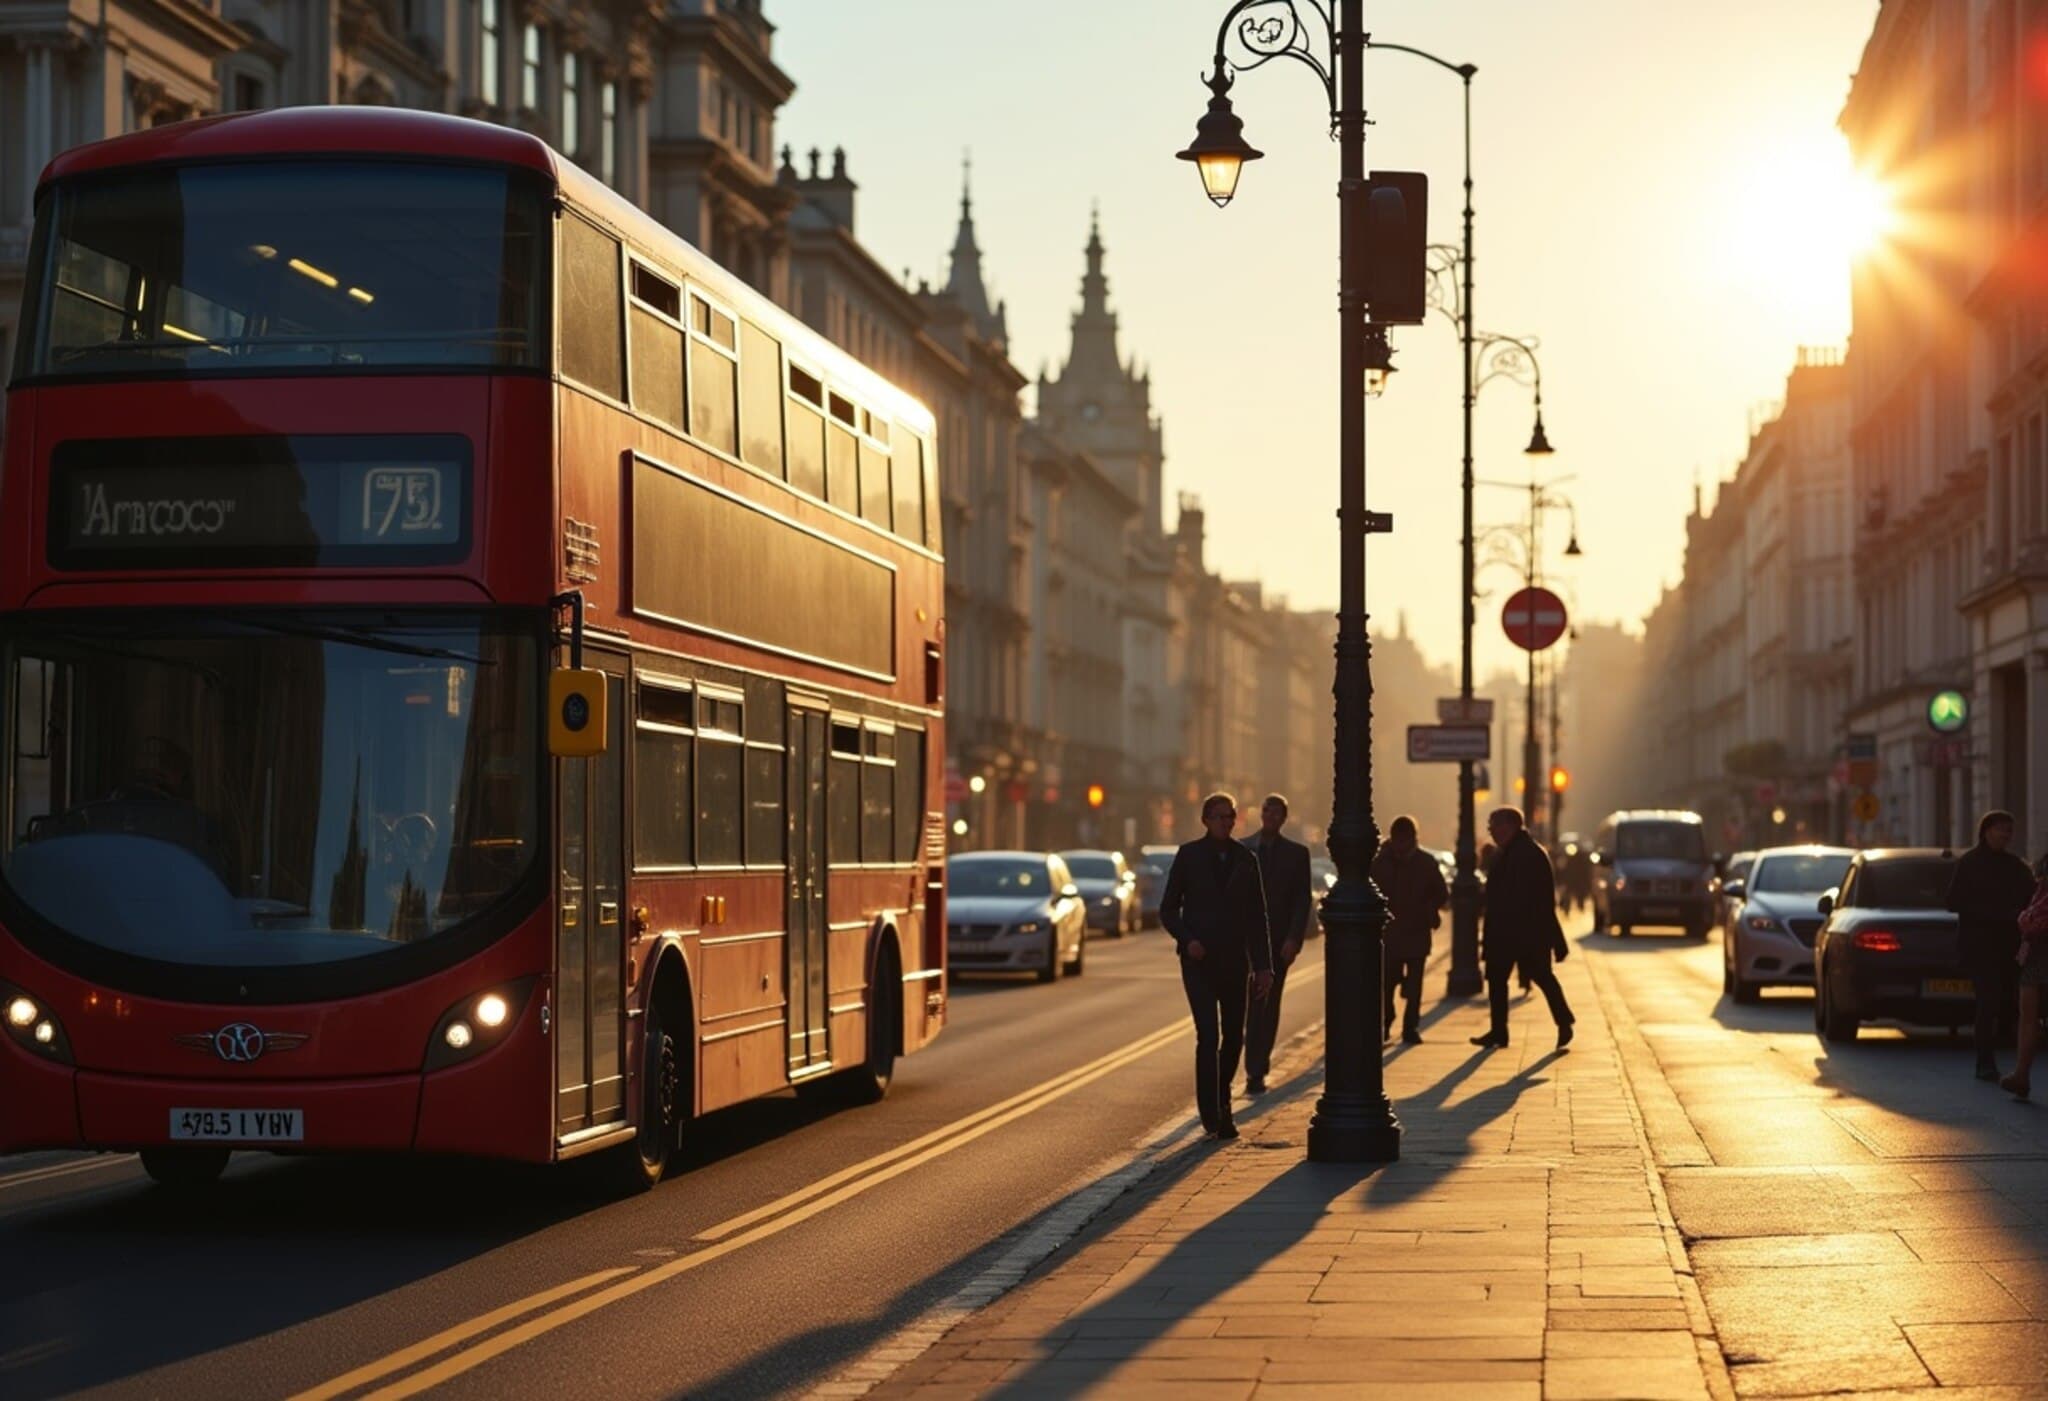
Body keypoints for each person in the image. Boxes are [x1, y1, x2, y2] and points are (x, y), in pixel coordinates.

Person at [1158, 792, 1275, 1138]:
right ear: (1206, 820)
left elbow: (1258, 916)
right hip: (1199, 961)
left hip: (1234, 960)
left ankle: (1222, 1095)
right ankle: (1214, 1111)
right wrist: (1187, 939)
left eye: (1231, 816)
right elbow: (1168, 909)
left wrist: (1264, 965)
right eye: (1219, 816)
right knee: (1207, 1033)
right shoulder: (1189, 856)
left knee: (1233, 1036)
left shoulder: (1245, 859)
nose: (1226, 822)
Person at [1473, 806, 1575, 1050]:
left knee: (1540, 976)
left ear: (1509, 826)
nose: (1490, 831)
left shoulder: (1529, 854)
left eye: (1493, 825)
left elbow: (1542, 900)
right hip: (1505, 931)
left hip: (1526, 932)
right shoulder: (1504, 853)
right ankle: (1499, 1031)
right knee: (1498, 980)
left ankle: (1564, 1021)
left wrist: (1552, 937)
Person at [1946, 810, 2035, 1082]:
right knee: (1988, 1002)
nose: (2005, 835)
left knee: (2010, 1003)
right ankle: (1985, 1062)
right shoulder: (1970, 863)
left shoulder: (2016, 867)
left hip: (2010, 947)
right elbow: (1953, 901)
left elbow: (2032, 900)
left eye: (2009, 831)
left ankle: (2014, 1060)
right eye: (2000, 830)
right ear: (1986, 831)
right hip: (1980, 947)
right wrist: (1994, 913)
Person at [1241, 794, 1313, 1095]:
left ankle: (1257, 1069)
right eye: (1266, 811)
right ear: (1261, 814)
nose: (1270, 817)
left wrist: (1294, 938)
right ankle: (1249, 1056)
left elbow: (1302, 900)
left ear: (1284, 818)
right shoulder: (1244, 849)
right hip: (1245, 942)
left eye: (1276, 813)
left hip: (1278, 942)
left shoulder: (1296, 854)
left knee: (1267, 1005)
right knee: (1248, 1005)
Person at [1371, 815, 1449, 1045]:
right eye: (1398, 841)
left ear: (1413, 840)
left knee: (1414, 986)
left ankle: (1410, 1027)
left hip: (1416, 930)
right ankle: (1387, 1021)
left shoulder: (1426, 863)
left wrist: (1429, 908)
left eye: (1404, 841)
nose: (1400, 846)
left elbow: (1442, 894)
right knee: (1387, 983)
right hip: (1390, 933)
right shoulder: (1381, 862)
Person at [2005, 855, 2048, 1101]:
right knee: (2028, 1017)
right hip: (2036, 956)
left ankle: (2022, 1075)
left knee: (2028, 1018)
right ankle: (2021, 1074)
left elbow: (2029, 918)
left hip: (2037, 954)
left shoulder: (2040, 889)